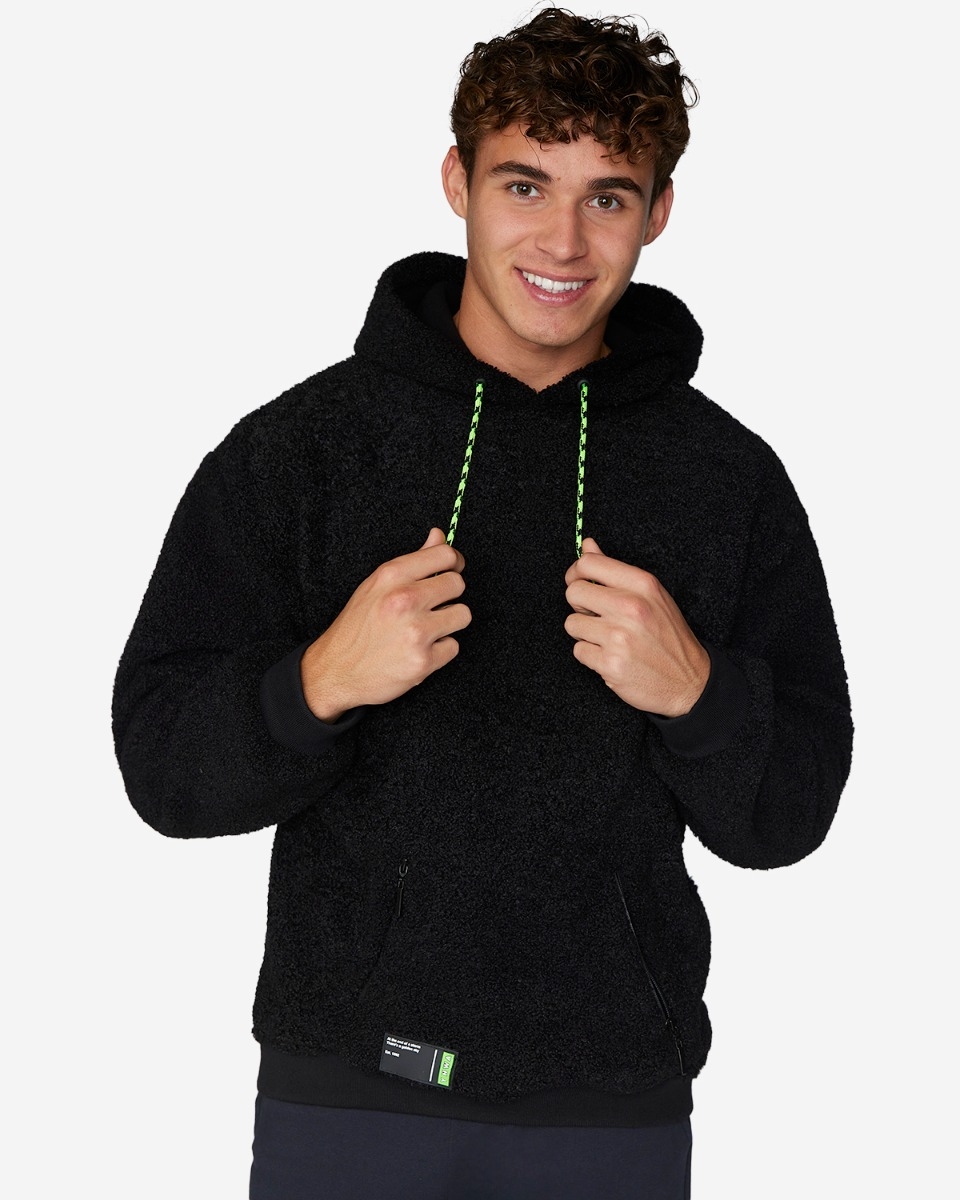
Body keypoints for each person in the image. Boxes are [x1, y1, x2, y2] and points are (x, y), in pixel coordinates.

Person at [112, 8, 852, 1198]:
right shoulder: (301, 451)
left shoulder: (729, 479)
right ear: (456, 181)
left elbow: (791, 815)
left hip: (610, 1099)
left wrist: (702, 697)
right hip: (348, 1088)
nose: (563, 239)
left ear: (659, 212)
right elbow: (160, 767)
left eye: (608, 197)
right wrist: (317, 684)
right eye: (523, 184)